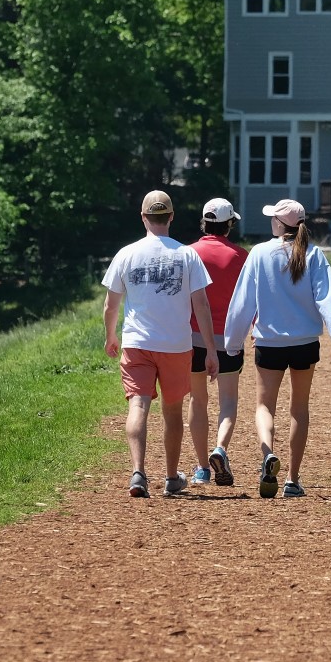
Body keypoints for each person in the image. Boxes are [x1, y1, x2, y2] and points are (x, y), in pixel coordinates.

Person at [223, 198, 331, 498]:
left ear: (279, 224)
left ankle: (268, 454)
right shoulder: (315, 255)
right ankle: (293, 480)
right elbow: (328, 300)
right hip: (305, 343)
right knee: (299, 408)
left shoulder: (259, 253)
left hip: (269, 342)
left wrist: (232, 342)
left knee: (264, 405)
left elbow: (243, 302)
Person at [103, 190, 218, 498]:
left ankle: (138, 472)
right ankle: (171, 477)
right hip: (176, 345)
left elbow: (110, 304)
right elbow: (202, 306)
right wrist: (209, 348)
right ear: (171, 217)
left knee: (138, 405)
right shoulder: (187, 255)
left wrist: (110, 336)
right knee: (172, 411)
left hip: (138, 343)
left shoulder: (126, 254)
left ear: (143, 217)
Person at [186, 197, 250, 486]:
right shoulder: (241, 257)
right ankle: (220, 448)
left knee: (198, 400)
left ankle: (202, 468)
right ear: (229, 224)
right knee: (228, 401)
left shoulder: (188, 253)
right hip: (229, 339)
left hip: (192, 338)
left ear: (204, 222)